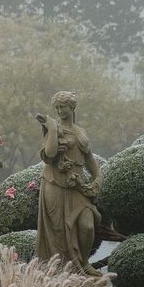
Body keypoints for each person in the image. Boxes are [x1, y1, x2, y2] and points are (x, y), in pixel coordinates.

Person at [35, 91, 102, 276]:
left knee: (87, 225)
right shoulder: (53, 127)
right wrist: (53, 129)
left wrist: (97, 177)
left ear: (72, 107)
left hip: (78, 185)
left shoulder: (80, 131)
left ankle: (85, 263)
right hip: (55, 182)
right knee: (58, 231)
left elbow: (88, 157)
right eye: (56, 108)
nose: (59, 111)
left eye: (62, 107)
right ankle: (61, 274)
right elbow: (49, 155)